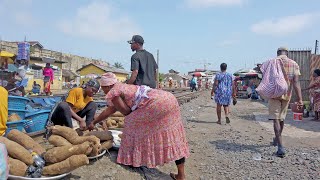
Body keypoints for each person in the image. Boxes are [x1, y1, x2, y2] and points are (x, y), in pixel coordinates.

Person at [88, 73, 189, 180]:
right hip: (169, 99)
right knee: (173, 136)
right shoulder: (122, 85)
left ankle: (130, 159)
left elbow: (125, 111)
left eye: (102, 87)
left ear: (108, 86)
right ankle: (181, 175)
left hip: (156, 103)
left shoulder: (113, 92)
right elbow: (112, 109)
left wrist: (94, 122)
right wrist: (95, 121)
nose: (103, 90)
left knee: (130, 124)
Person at [266, 47, 303, 158]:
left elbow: (267, 79)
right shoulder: (294, 64)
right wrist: (300, 99)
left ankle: (280, 147)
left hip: (274, 95)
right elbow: (296, 83)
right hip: (287, 95)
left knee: (275, 119)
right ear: (287, 53)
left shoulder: (272, 62)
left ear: (277, 53)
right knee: (281, 119)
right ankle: (277, 140)